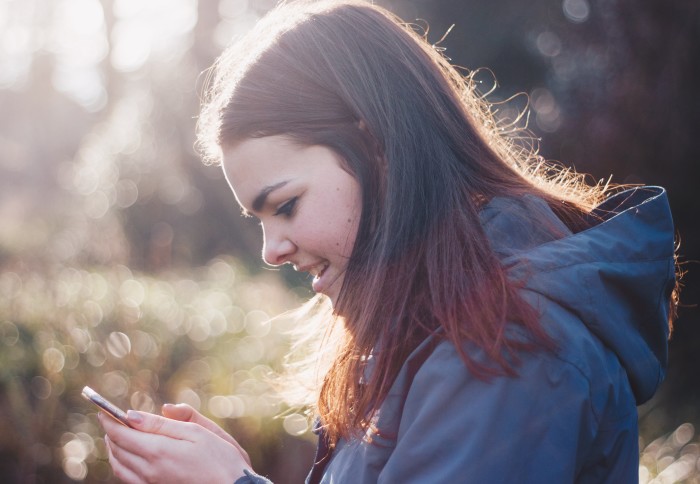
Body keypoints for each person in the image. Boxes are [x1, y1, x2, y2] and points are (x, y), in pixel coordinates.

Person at [99, 0, 679, 482]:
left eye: (285, 206)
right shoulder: (436, 327)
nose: (271, 249)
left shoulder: (508, 346)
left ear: (376, 148)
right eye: (260, 220)